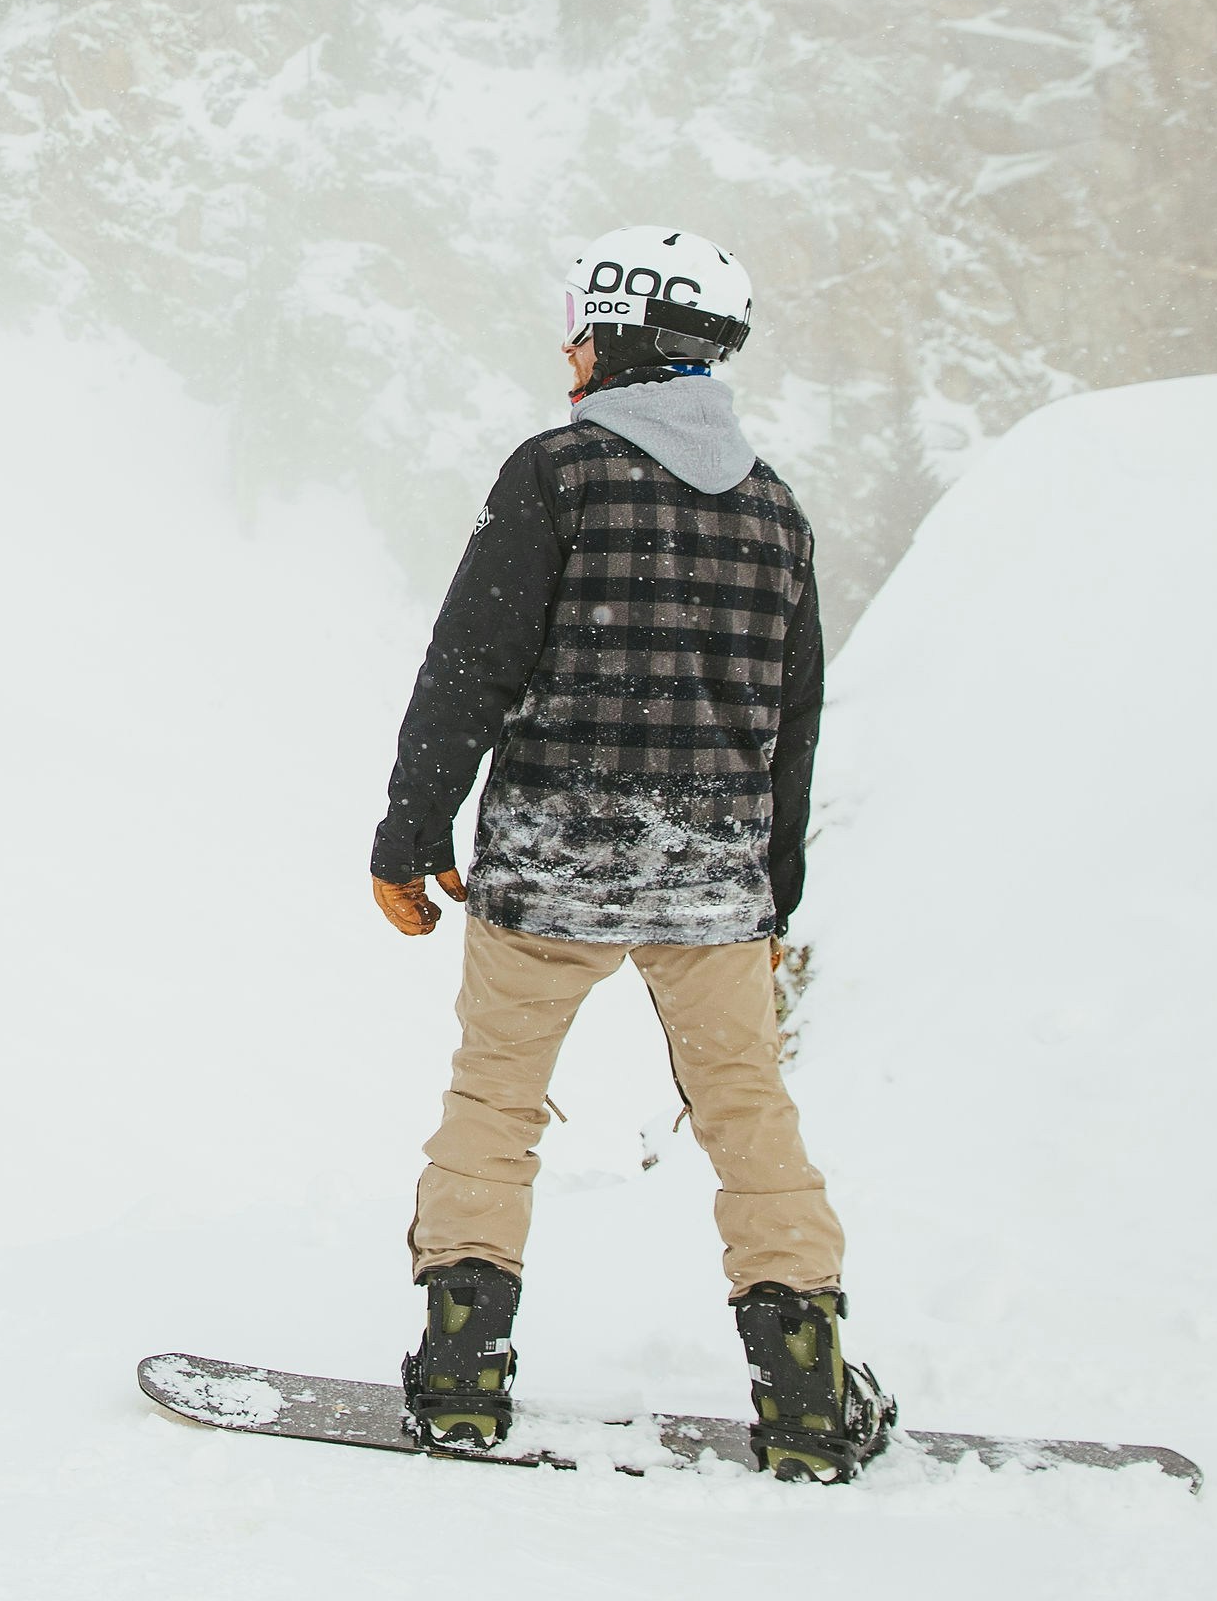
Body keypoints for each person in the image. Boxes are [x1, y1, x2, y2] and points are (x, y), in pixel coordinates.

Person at [366, 225, 894, 1483]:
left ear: (622, 338)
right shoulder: (776, 510)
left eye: (581, 331)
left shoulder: (558, 474)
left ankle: (462, 1375)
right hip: (714, 875)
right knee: (747, 1113)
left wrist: (410, 832)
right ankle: (807, 1390)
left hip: (552, 853)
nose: (568, 355)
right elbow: (795, 724)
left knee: (494, 1103)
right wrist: (772, 894)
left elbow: (471, 664)